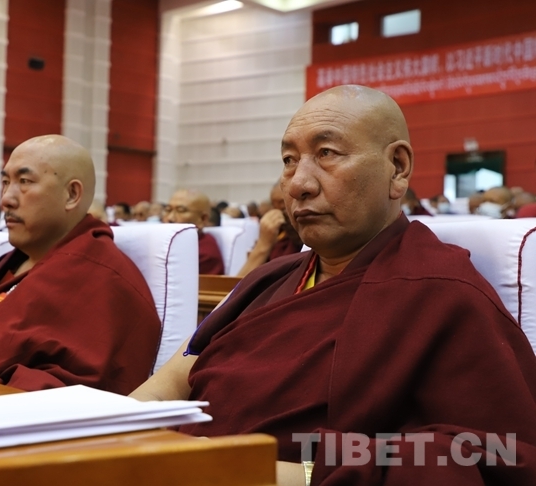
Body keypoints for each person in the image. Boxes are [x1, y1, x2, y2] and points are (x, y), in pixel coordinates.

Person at [131, 85, 536, 485]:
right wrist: (116, 437)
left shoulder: (442, 292)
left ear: (397, 168)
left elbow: (491, 458)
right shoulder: (267, 280)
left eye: (327, 153)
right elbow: (169, 382)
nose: (298, 184)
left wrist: (242, 470)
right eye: (289, 160)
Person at [0, 135, 162, 393]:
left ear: (72, 194)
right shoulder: (11, 263)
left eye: (24, 182)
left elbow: (69, 392)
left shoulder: (103, 278)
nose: (6, 199)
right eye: (5, 182)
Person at [236, 183, 303, 278]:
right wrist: (263, 243)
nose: (277, 212)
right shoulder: (276, 235)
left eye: (282, 205)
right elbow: (243, 282)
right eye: (274, 206)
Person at [163, 189, 224, 275]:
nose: (170, 218)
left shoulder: (204, 254)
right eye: (168, 210)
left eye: (181, 210)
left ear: (203, 219)